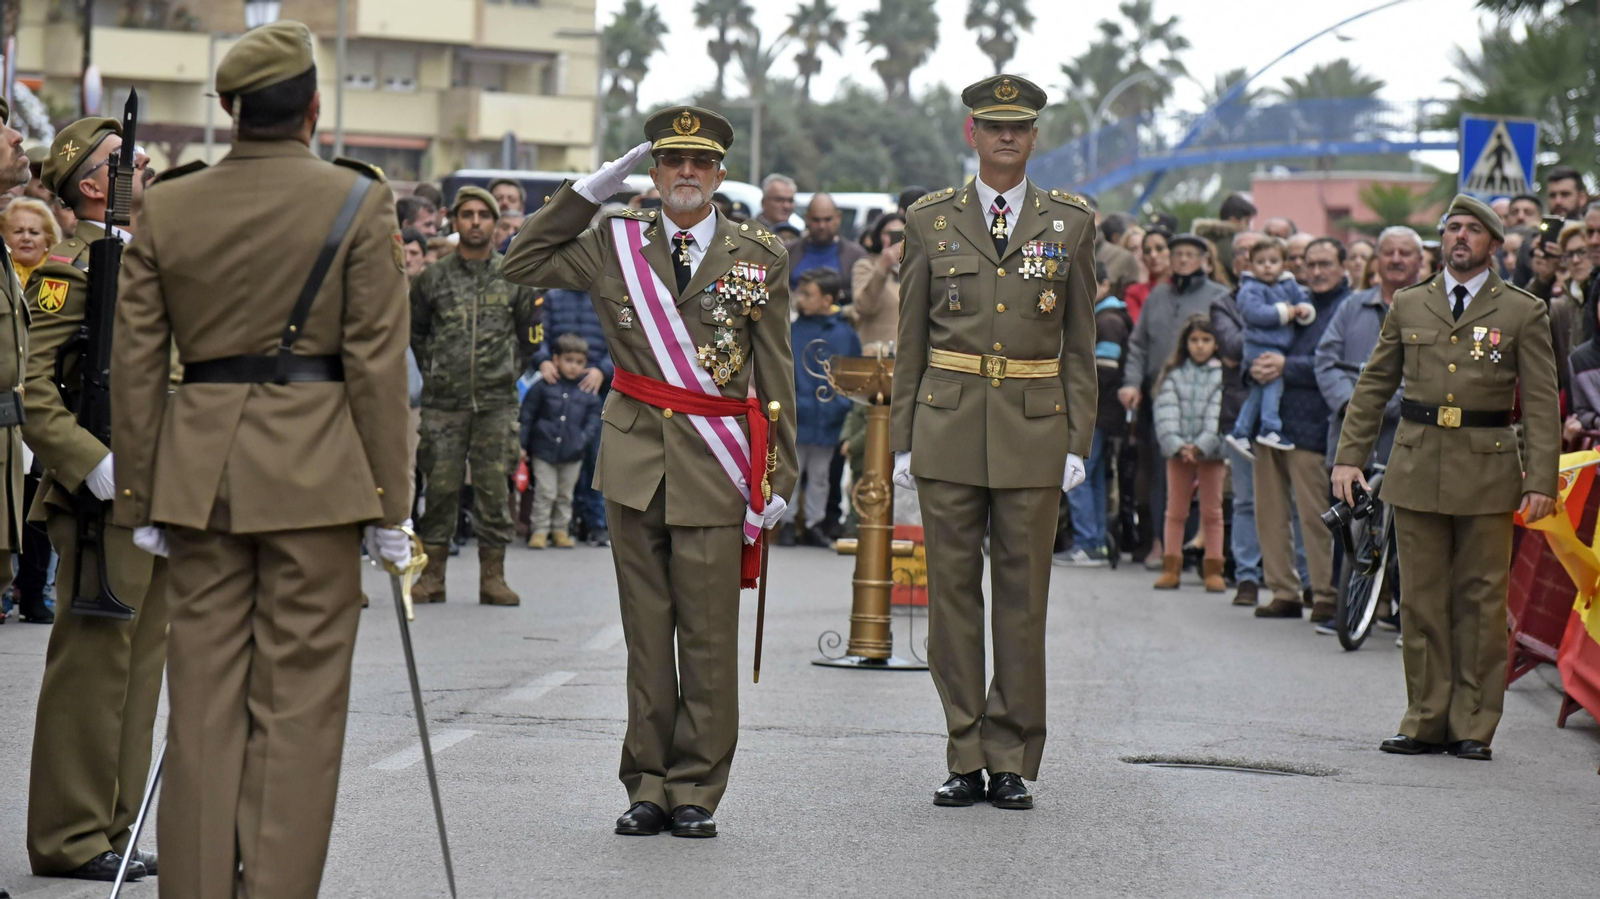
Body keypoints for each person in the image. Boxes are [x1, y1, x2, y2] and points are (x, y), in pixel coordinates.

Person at [107, 21, 413, 896]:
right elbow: (376, 368)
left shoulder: (167, 202)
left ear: (230, 110)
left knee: (200, 707)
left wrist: (140, 495)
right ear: (314, 109)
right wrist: (390, 503)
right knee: (298, 713)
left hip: (199, 478)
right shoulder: (357, 199)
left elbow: (133, 366)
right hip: (317, 477)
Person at [502, 106, 798, 838]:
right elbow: (518, 261)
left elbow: (776, 372)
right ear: (654, 173)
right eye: (671, 161)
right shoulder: (614, 242)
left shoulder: (759, 253)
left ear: (721, 173)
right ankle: (647, 783)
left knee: (706, 637)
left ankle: (696, 785)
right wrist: (584, 194)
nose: (686, 174)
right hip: (636, 460)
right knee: (646, 634)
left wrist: (780, 474)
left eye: (699, 163)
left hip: (716, 465)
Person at [891, 74, 1096, 811]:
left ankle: (1009, 753)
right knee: (949, 599)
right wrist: (904, 438)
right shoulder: (930, 219)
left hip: (1035, 429)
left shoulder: (1070, 221)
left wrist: (1077, 435)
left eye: (1020, 126)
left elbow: (1080, 343)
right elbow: (911, 334)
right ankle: (963, 750)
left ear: (1035, 136)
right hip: (946, 424)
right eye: (992, 124)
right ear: (971, 133)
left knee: (1021, 599)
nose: (1006, 135)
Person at [1333, 195, 1559, 761]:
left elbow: (1539, 405)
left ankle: (1474, 725)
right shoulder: (1410, 304)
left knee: (1481, 601)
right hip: (1416, 465)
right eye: (1452, 228)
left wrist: (1541, 480)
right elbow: (1373, 385)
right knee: (1422, 601)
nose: (1460, 237)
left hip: (1488, 469)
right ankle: (1425, 717)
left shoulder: (1522, 311)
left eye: (1472, 230)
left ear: (1494, 244)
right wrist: (1348, 457)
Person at [21, 116, 165, 884]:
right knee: (91, 671)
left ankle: (115, 824)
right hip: (101, 496)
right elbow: (34, 389)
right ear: (88, 183)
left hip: (163, 493)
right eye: (120, 157)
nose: (139, 160)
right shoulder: (67, 270)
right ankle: (69, 835)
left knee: (140, 671)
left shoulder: (152, 258)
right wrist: (89, 463)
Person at [409, 185, 541, 606]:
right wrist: (437, 369)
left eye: (483, 216)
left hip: (496, 404)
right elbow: (417, 333)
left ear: (495, 223)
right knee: (441, 490)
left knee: (492, 491)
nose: (475, 222)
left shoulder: (513, 275)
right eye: (467, 215)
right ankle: (432, 578)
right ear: (456, 221)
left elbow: (530, 338)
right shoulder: (433, 277)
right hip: (443, 405)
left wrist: (504, 372)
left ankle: (493, 578)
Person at [1250, 237, 1349, 625]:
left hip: (1314, 425)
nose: (1319, 271)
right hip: (1270, 422)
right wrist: (1255, 367)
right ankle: (1283, 592)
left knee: (1316, 516)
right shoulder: (1295, 302)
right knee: (1269, 513)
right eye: (1312, 264)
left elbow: (1338, 364)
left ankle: (1324, 593)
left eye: (1327, 263)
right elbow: (1258, 341)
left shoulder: (1348, 306)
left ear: (1343, 267)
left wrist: (1284, 366)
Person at [1120, 233, 1231, 569]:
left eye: (1190, 254)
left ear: (1205, 260)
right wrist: (1131, 383)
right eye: (1178, 253)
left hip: (1210, 399)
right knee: (1161, 472)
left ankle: (1201, 547)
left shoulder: (1221, 297)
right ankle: (1162, 543)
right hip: (1163, 399)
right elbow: (1138, 345)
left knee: (1208, 477)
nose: (1183, 259)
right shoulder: (1157, 296)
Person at [1316, 226, 1424, 476]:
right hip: (1352, 451)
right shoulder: (1352, 306)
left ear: (1420, 260)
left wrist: (1390, 403)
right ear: (1377, 260)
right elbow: (1325, 361)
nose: (1396, 259)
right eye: (1388, 253)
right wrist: (1352, 404)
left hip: (1411, 450)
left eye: (1405, 253)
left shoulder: (1436, 310)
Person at [533, 244, 614, 547]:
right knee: (557, 453)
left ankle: (594, 523)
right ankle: (554, 524)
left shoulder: (607, 296)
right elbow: (539, 334)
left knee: (594, 456)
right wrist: (542, 360)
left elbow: (619, 340)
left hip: (594, 389)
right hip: (557, 388)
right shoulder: (553, 297)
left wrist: (602, 370)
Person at [782, 267, 860, 547]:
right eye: (799, 292)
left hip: (829, 417)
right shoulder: (792, 329)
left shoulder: (844, 334)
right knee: (791, 471)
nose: (800, 298)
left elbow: (853, 375)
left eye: (807, 294)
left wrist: (840, 406)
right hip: (796, 415)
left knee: (821, 475)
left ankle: (815, 522)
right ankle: (787, 521)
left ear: (827, 299)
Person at [1060, 263, 1130, 567]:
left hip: (1096, 411)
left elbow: (1104, 371)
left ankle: (1088, 542)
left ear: (1105, 283)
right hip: (1101, 412)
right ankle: (1097, 542)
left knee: (1079, 477)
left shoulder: (1109, 320)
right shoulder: (1101, 315)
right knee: (1094, 477)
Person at [1151, 316, 1227, 592]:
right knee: (1176, 510)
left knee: (1212, 511)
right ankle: (1171, 567)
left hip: (1211, 453)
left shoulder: (1222, 375)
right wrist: (1177, 444)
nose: (1200, 346)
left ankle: (1214, 567)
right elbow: (1165, 410)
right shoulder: (1174, 373)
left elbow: (1219, 412)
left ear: (1216, 343)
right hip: (1179, 453)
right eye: (1194, 340)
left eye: (1206, 340)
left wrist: (1203, 444)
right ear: (1185, 343)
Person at [1225, 237, 1314, 453]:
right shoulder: (1250, 287)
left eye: (1273, 261)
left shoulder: (1288, 283)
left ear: (1283, 264)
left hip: (1278, 346)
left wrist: (1303, 309)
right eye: (1261, 261)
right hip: (1259, 345)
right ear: (1251, 265)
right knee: (1273, 384)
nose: (1267, 266)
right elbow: (1254, 313)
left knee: (1257, 392)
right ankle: (1270, 427)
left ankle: (1240, 430)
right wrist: (1285, 312)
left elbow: (1303, 297)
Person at [519, 333, 602, 549]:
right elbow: (527, 416)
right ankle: (539, 530)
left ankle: (560, 530)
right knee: (545, 492)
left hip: (573, 453)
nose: (573, 366)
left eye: (579, 362)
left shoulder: (588, 392)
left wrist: (581, 440)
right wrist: (522, 445)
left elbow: (594, 422)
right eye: (568, 360)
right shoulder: (543, 386)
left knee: (565, 494)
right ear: (556, 360)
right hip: (543, 450)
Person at [784, 192, 866, 301]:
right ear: (807, 218)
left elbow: (865, 299)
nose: (822, 226)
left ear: (838, 217)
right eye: (816, 220)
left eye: (827, 219)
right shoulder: (788, 252)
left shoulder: (855, 256)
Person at [849, 211, 904, 349]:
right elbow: (863, 307)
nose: (893, 239)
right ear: (878, 236)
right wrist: (883, 267)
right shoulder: (866, 266)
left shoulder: (917, 268)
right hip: (877, 356)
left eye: (902, 234)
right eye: (888, 233)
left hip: (909, 357)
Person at [1, 196, 59, 285]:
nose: (26, 238)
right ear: (3, 236)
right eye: (18, 231)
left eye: (34, 232)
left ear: (48, 240)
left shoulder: (59, 273)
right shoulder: (2, 274)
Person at [1124, 227, 1170, 322]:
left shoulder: (1184, 287)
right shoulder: (1135, 292)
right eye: (1147, 251)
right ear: (1143, 257)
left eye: (1159, 248)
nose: (1153, 255)